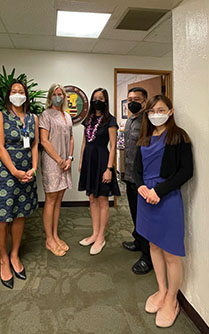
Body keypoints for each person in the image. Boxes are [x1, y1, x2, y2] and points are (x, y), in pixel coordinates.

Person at [134, 95, 193, 328]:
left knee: (170, 252)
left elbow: (186, 172)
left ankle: (172, 299)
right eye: (151, 110)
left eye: (160, 109)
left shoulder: (179, 137)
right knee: (153, 246)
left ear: (170, 111)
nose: (155, 113)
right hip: (145, 197)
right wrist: (140, 186)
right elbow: (137, 168)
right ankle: (161, 289)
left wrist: (159, 190)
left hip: (166, 197)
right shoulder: (145, 137)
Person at [0, 79, 39, 289]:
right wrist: (14, 171)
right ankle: (3, 258)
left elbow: (35, 145)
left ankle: (15, 255)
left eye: (21, 91)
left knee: (19, 214)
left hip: (27, 171)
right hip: (6, 173)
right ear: (8, 95)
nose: (17, 94)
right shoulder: (0, 116)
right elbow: (0, 148)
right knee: (3, 217)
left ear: (26, 95)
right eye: (14, 91)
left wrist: (34, 169)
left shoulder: (32, 118)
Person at [78, 88, 120, 255]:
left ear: (105, 100)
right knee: (92, 198)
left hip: (102, 162)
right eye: (95, 98)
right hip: (89, 163)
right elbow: (83, 143)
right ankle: (94, 233)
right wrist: (81, 162)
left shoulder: (110, 120)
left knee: (102, 200)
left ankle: (101, 236)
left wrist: (109, 169)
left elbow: (113, 146)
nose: (97, 101)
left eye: (100, 98)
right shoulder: (88, 119)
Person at [39, 83, 74, 257]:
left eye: (61, 93)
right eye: (55, 93)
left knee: (59, 198)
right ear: (50, 96)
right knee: (51, 199)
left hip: (65, 162)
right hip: (52, 161)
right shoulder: (46, 115)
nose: (58, 96)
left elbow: (72, 138)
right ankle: (49, 239)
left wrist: (69, 158)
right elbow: (44, 141)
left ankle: (55, 235)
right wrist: (59, 159)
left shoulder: (67, 116)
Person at [121, 87, 153, 275]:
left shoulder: (148, 122)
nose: (132, 102)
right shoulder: (131, 119)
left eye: (137, 99)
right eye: (129, 98)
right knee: (135, 213)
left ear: (145, 101)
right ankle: (138, 241)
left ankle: (148, 257)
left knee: (145, 216)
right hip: (130, 176)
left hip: (143, 178)